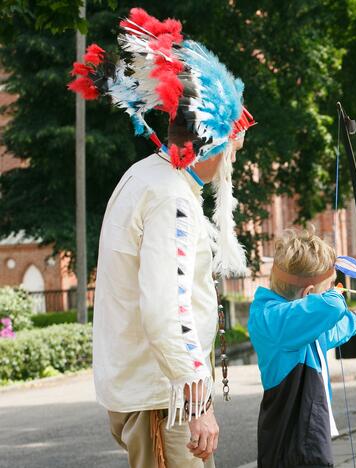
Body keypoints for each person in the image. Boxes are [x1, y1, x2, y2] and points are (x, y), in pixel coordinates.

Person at [69, 8, 255, 467]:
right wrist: (196, 403)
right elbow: (165, 308)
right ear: (210, 144)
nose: (236, 152)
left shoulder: (150, 178)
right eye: (232, 143)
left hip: (158, 395)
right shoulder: (171, 196)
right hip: (163, 401)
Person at [248, 229, 356, 468]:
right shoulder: (274, 319)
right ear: (308, 294)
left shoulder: (295, 320)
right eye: (329, 286)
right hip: (292, 446)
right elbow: (330, 307)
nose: (335, 290)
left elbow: (327, 333)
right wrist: (334, 294)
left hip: (304, 442)